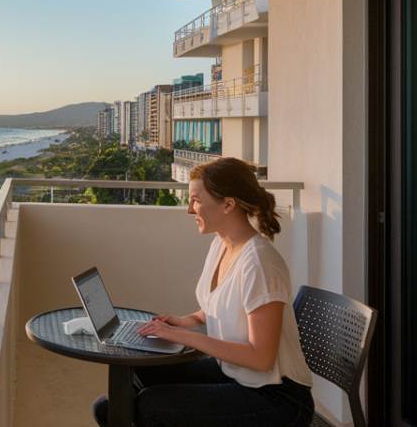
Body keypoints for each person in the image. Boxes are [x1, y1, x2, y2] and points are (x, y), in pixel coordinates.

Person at [93, 157, 314, 427]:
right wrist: (191, 320)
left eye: (195, 200)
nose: (189, 209)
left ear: (228, 204)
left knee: (149, 406)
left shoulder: (259, 265)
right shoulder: (221, 245)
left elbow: (261, 358)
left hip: (276, 398)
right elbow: (223, 306)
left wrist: (181, 335)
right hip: (237, 374)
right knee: (140, 369)